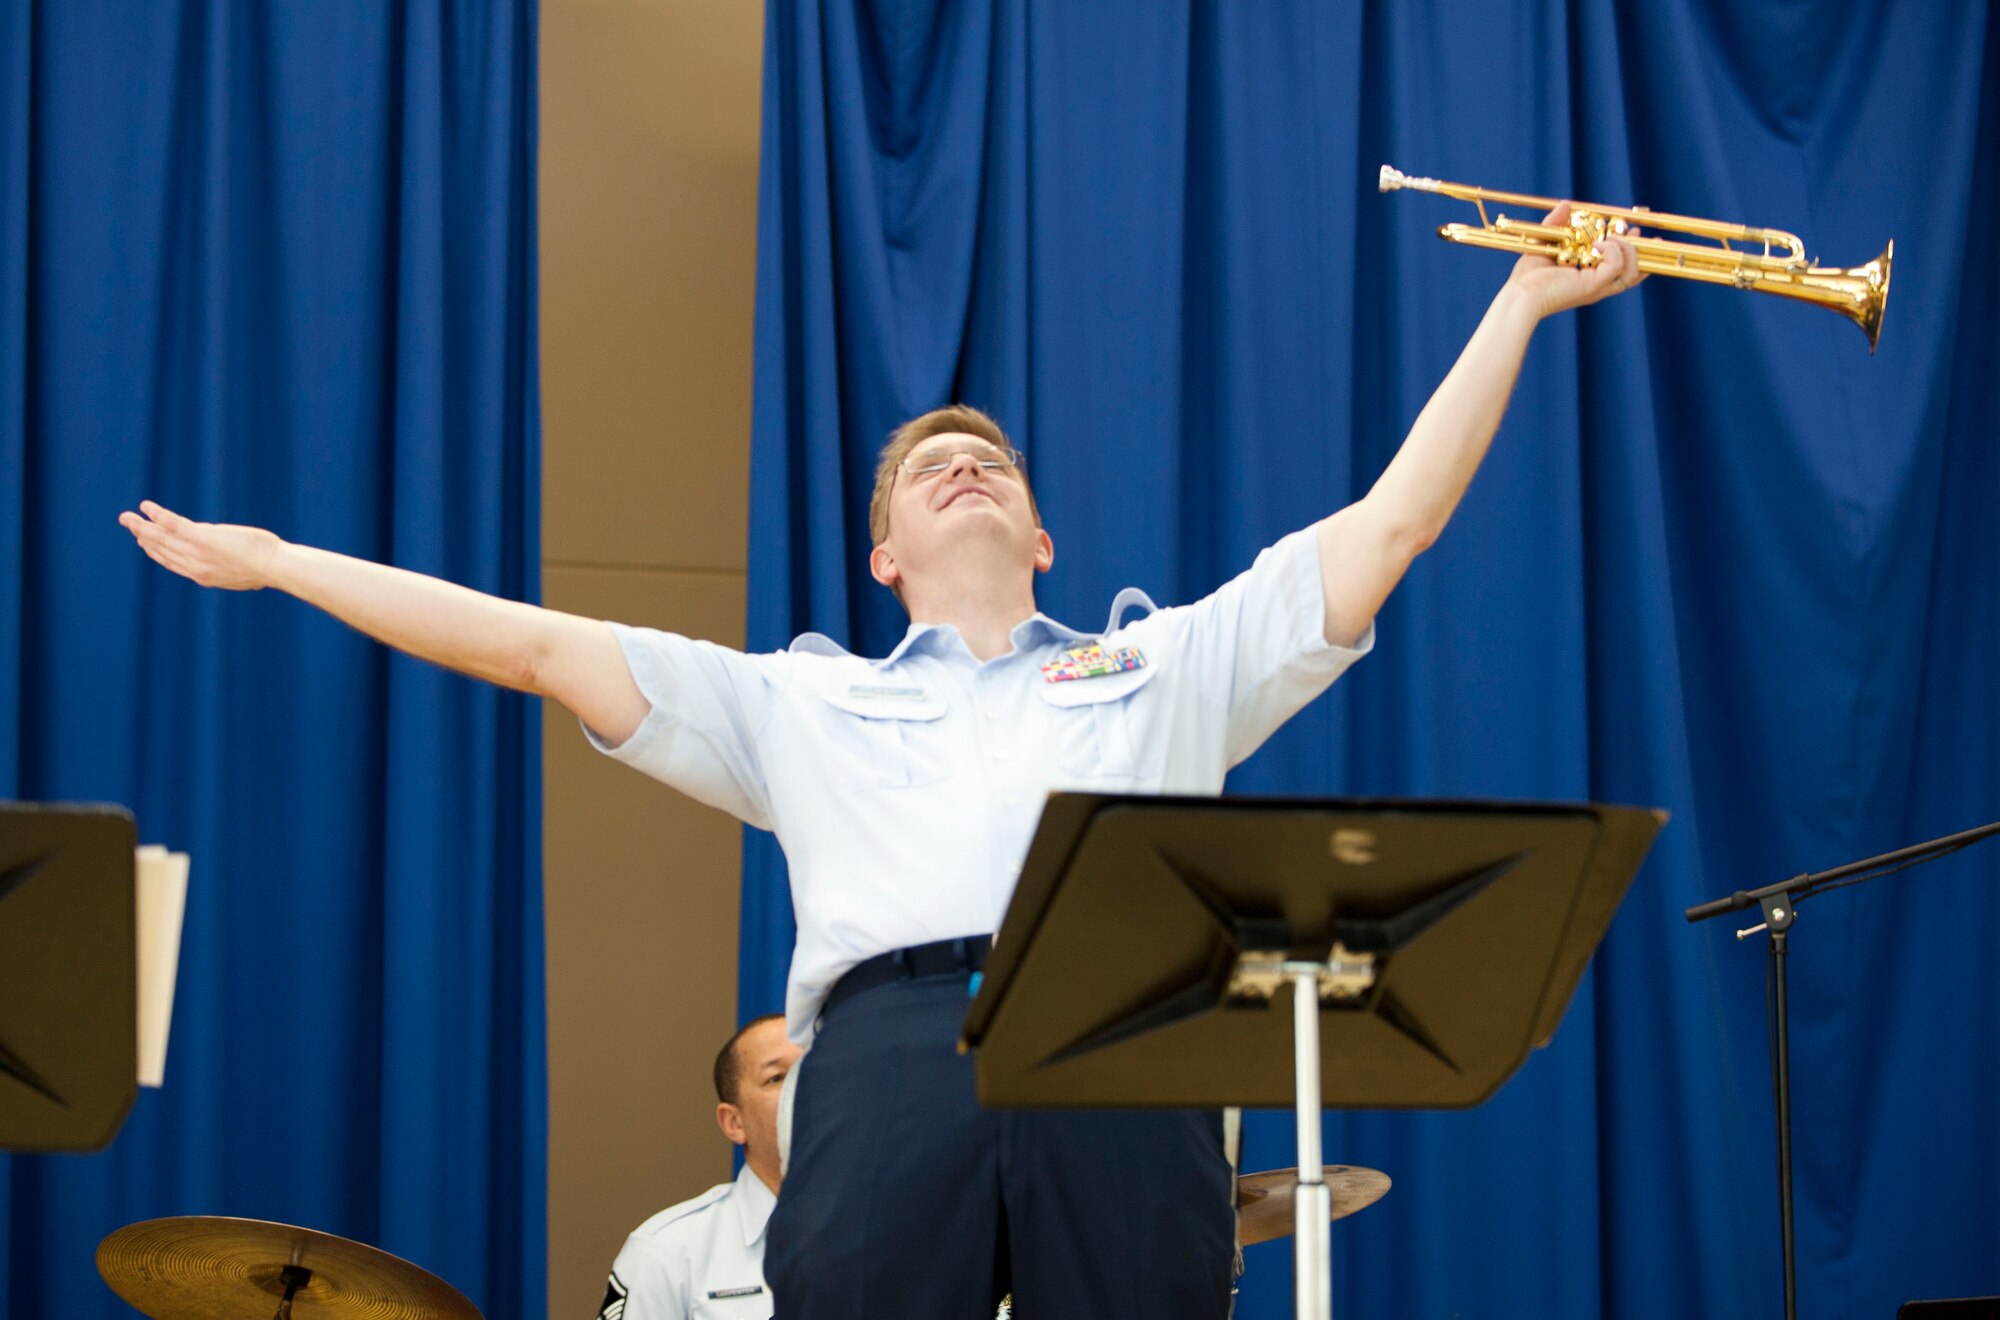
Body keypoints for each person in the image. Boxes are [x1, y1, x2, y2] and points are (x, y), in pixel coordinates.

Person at [119, 211, 1643, 1319]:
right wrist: (283, 560)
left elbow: (1392, 528)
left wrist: (1515, 303)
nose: (960, 461)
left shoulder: (1169, 658)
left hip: (1127, 1045)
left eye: (990, 459)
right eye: (925, 466)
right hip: (888, 1054)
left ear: (1040, 535)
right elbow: (528, 643)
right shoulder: (802, 698)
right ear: (883, 554)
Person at [599, 1015, 802, 1320]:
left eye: (812, 1068)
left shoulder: (889, 1233)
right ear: (734, 1123)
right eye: (776, 1077)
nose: (803, 1087)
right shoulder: (667, 1252)